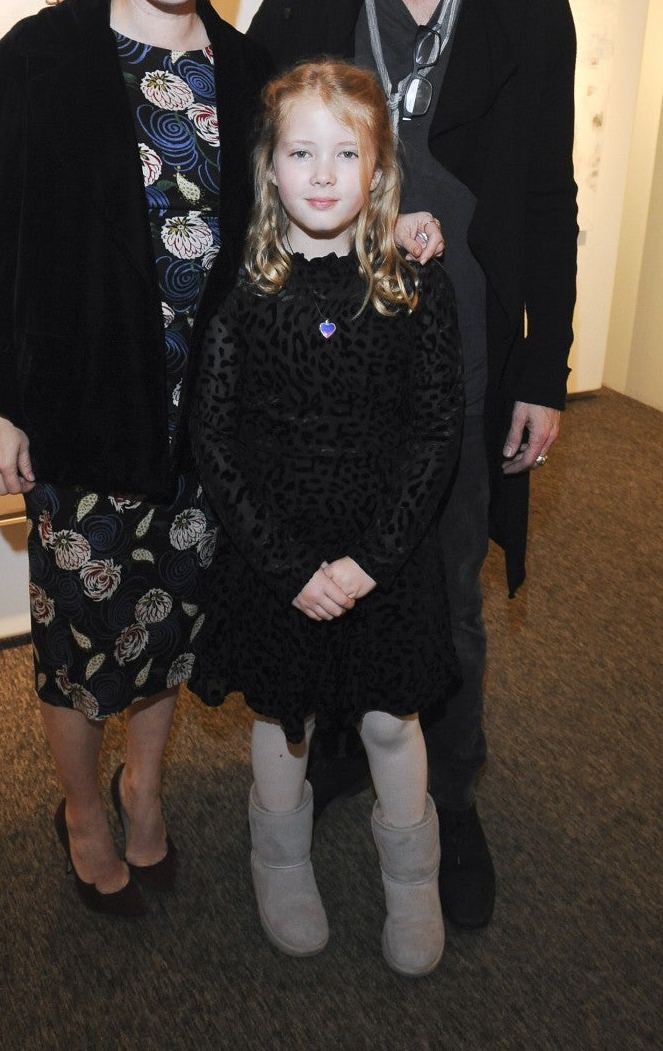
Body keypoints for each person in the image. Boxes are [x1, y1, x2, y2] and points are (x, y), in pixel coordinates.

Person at [246, 0, 578, 930]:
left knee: (442, 591)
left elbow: (549, 200)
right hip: (321, 371)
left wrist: (544, 368)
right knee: (327, 568)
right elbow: (214, 118)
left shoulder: (530, 14)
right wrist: (36, 74)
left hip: (465, 366)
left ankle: (451, 794)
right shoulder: (301, 3)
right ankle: (342, 747)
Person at [0, 0, 272, 916]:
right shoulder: (39, 58)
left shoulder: (253, 74)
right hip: (80, 413)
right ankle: (83, 807)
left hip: (202, 427)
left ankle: (145, 787)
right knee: (81, 641)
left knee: (171, 628)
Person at [188, 59, 463, 976]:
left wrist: (371, 561)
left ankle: (413, 877)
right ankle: (279, 860)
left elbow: (437, 433)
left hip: (386, 554)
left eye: (346, 153)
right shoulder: (243, 292)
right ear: (269, 166)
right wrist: (289, 568)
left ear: (380, 169)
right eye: (300, 152)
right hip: (281, 558)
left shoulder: (414, 285)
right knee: (286, 719)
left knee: (390, 721)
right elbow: (215, 440)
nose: (321, 173)